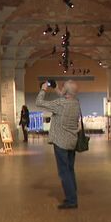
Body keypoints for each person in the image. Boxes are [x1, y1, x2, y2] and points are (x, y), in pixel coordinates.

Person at [36, 80, 81, 210]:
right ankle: (72, 195)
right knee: (70, 170)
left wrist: (43, 89)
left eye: (63, 87)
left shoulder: (60, 104)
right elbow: (64, 97)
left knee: (64, 172)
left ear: (65, 91)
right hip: (72, 141)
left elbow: (39, 102)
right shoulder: (76, 103)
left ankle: (72, 200)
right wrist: (56, 89)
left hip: (60, 142)